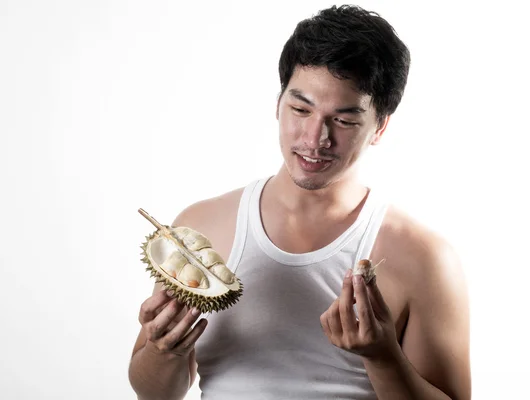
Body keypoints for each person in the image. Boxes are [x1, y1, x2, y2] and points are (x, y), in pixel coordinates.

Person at [128, 4, 471, 400]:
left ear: (380, 126)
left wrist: (382, 358)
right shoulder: (201, 227)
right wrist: (161, 350)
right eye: (300, 108)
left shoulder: (424, 257)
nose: (314, 138)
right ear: (278, 104)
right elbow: (156, 394)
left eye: (343, 120)